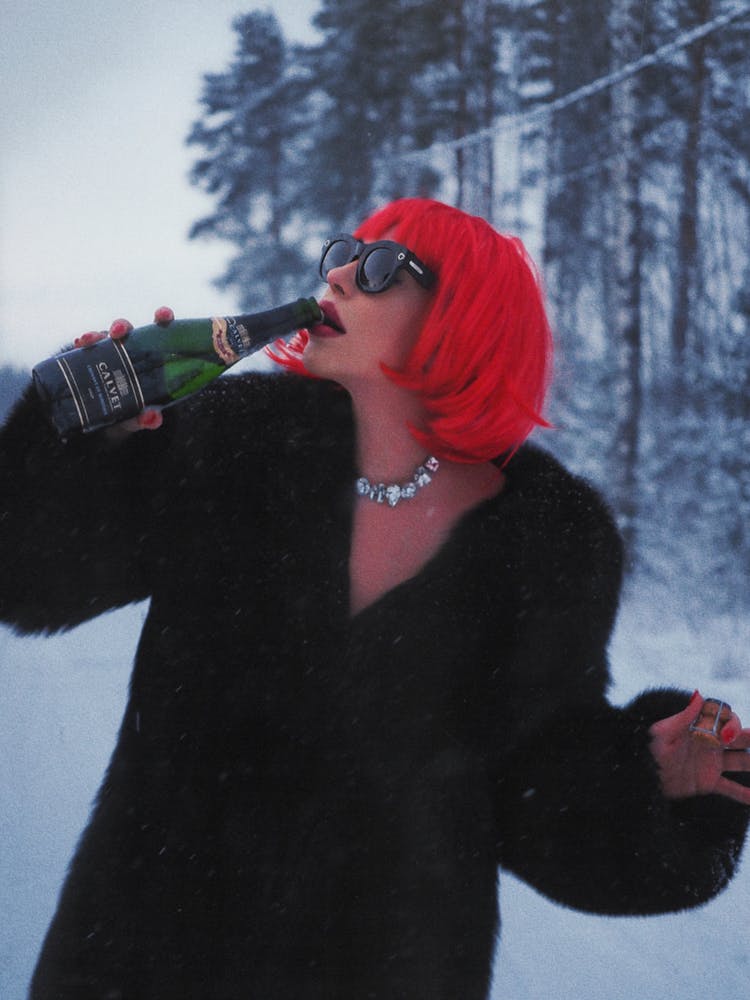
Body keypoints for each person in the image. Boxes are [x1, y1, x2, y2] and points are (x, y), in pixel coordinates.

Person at [1, 197, 748, 1000]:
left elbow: (535, 798)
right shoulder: (230, 446)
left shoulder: (548, 549)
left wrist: (652, 781)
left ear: (467, 317)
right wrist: (71, 436)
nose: (343, 274)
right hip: (137, 961)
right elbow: (30, 576)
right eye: (344, 253)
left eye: (388, 266)